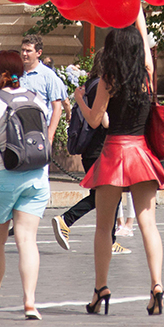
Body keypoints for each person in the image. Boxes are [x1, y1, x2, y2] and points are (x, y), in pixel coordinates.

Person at [77, 7, 164, 316]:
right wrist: (136, 4)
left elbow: (93, 120)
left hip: (114, 153)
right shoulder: (147, 76)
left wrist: (79, 100)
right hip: (141, 152)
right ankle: (156, 284)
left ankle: (101, 287)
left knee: (104, 228)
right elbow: (143, 43)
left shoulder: (108, 80)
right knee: (148, 225)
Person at [0, 50, 50, 320]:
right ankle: (30, 303)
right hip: (36, 176)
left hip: (2, 177)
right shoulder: (36, 99)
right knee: (27, 240)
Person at [51, 49, 130, 255]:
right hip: (100, 150)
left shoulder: (92, 84)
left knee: (111, 195)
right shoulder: (102, 87)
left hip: (93, 150)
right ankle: (66, 220)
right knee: (104, 195)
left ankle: (111, 241)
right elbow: (103, 121)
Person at [19, 36, 66, 143]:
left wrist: (49, 137)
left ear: (38, 53)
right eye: (23, 50)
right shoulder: (17, 72)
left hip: (39, 131)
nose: (24, 54)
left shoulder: (48, 75)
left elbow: (57, 108)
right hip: (17, 129)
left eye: (28, 51)